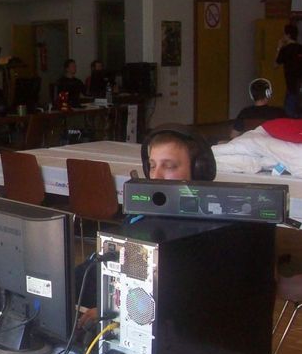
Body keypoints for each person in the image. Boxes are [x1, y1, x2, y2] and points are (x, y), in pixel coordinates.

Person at [76, 124, 217, 323]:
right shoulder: (140, 216)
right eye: (152, 166)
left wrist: (113, 311)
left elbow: (184, 299)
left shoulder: (209, 233)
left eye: (169, 166)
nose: (156, 176)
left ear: (198, 171)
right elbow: (98, 268)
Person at [275, 24, 302, 117]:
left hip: (291, 87)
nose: (282, 36)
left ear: (288, 35)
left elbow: (275, 64)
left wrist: (279, 48)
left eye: (283, 34)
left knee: (289, 115)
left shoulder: (285, 50)